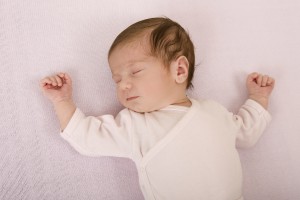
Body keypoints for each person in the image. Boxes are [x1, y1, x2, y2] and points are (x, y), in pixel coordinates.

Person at [40, 17, 275, 200]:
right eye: (116, 79)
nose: (123, 85)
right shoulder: (136, 125)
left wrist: (258, 97)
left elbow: (246, 133)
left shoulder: (214, 111)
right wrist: (62, 101)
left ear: (179, 70)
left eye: (135, 71)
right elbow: (87, 137)